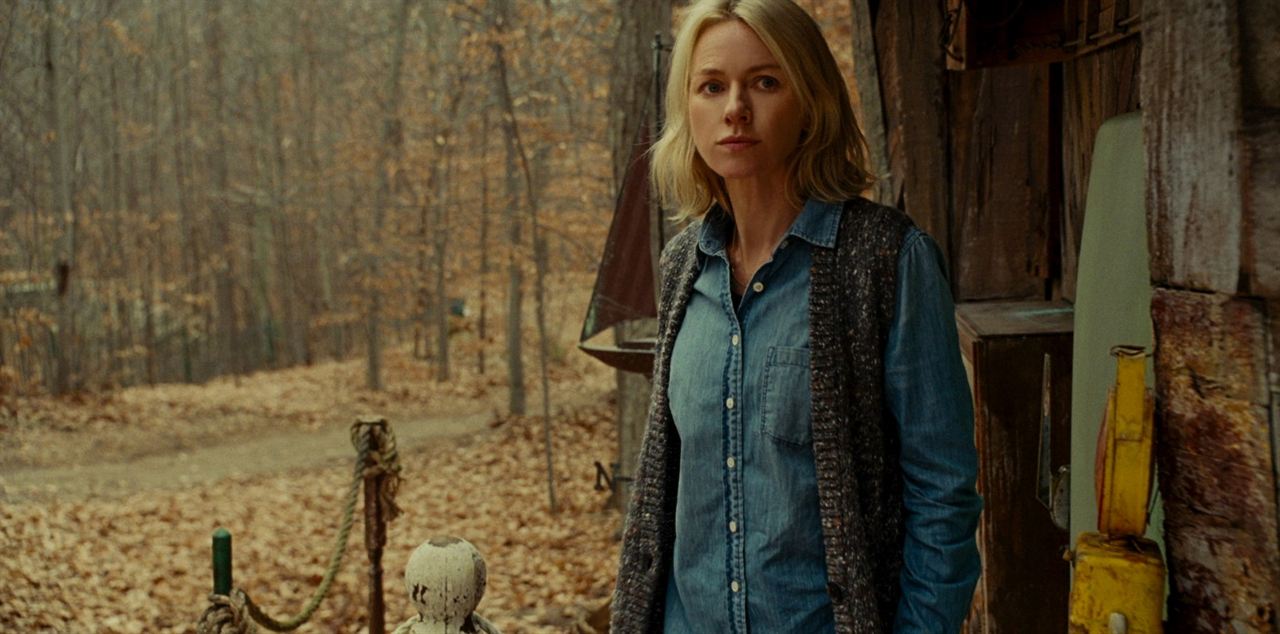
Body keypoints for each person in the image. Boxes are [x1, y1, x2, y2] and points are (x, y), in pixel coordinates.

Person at [611, 1, 982, 632]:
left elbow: (942, 494)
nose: (735, 108)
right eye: (711, 86)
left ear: (811, 100)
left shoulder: (886, 259)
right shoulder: (681, 267)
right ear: (688, 110)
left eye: (764, 81)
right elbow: (664, 492)